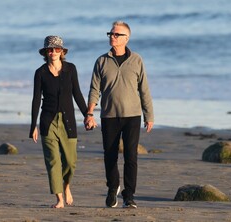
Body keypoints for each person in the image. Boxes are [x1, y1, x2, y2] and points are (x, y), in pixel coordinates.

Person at [84, 21, 154, 209]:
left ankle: (129, 195)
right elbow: (94, 89)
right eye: (111, 34)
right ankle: (112, 187)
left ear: (127, 38)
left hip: (132, 115)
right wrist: (89, 113)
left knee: (131, 156)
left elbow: (144, 89)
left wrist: (149, 115)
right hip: (109, 116)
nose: (112, 37)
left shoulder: (137, 60)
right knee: (110, 155)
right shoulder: (101, 61)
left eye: (116, 34)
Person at [29, 35, 89, 208]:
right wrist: (33, 126)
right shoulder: (40, 73)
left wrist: (87, 114)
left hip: (68, 121)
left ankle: (66, 186)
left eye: (57, 49)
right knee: (53, 161)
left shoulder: (71, 69)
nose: (53, 52)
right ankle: (59, 199)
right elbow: (35, 100)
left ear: (62, 52)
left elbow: (77, 93)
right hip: (48, 122)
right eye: (50, 49)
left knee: (70, 161)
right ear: (46, 52)